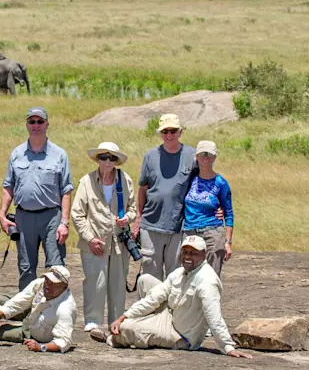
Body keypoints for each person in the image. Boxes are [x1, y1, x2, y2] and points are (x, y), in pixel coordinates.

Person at [96, 236, 252, 359]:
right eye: (185, 252)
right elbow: (154, 298)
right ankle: (135, 324)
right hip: (169, 314)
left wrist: (227, 346)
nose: (188, 256)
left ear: (204, 255)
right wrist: (124, 316)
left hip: (180, 335)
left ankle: (112, 338)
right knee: (145, 280)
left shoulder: (207, 280)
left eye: (193, 253)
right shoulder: (179, 272)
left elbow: (214, 316)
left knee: (126, 328)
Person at [0, 107, 74, 291]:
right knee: (26, 267)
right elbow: (8, 186)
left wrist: (64, 222)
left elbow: (66, 190)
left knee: (55, 267)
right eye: (32, 122)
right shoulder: (16, 154)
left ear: (47, 124)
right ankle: (27, 312)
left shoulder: (59, 154)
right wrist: (2, 215)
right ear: (26, 125)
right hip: (24, 217)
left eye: (40, 121)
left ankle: (55, 310)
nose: (36, 125)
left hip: (51, 217)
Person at [71, 142, 137, 332]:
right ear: (97, 160)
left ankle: (116, 321)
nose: (107, 162)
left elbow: (133, 208)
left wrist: (128, 218)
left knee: (118, 283)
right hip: (94, 242)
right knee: (95, 282)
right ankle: (92, 320)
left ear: (116, 161)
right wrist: (90, 238)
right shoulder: (87, 181)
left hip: (119, 242)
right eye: (103, 157)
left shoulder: (125, 180)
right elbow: (77, 214)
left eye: (111, 158)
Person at [132, 113, 197, 281]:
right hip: (151, 225)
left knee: (176, 277)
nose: (169, 135)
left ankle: (173, 308)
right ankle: (153, 308)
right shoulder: (150, 156)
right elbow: (143, 189)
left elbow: (202, 186)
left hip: (178, 226)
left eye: (173, 131)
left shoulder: (192, 156)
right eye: (165, 131)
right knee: (150, 278)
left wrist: (217, 208)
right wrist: (138, 218)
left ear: (180, 132)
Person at [0, 266, 77, 353]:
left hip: (33, 333)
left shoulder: (65, 309)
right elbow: (19, 301)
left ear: (64, 287)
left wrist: (41, 347)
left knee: (0, 333)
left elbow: (64, 341)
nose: (48, 285)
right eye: (47, 280)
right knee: (1, 301)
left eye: (54, 283)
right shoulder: (40, 284)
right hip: (32, 312)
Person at [183, 141, 234, 276]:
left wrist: (228, 242)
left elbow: (228, 213)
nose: (205, 158)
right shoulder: (189, 179)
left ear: (215, 157)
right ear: (196, 157)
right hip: (190, 232)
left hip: (213, 233)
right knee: (188, 277)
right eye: (202, 155)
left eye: (209, 155)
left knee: (211, 278)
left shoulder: (221, 183)